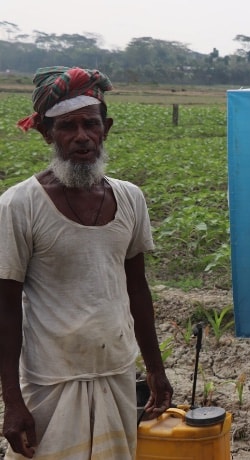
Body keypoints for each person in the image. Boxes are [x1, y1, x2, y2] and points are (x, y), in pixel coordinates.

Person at [0, 66, 173, 459]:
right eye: (67, 127)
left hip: (116, 370)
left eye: (90, 125)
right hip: (52, 379)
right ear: (47, 133)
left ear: (105, 128)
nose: (81, 137)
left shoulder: (130, 199)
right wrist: (11, 400)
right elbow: (5, 308)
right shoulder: (20, 205)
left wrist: (155, 368)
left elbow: (137, 289)